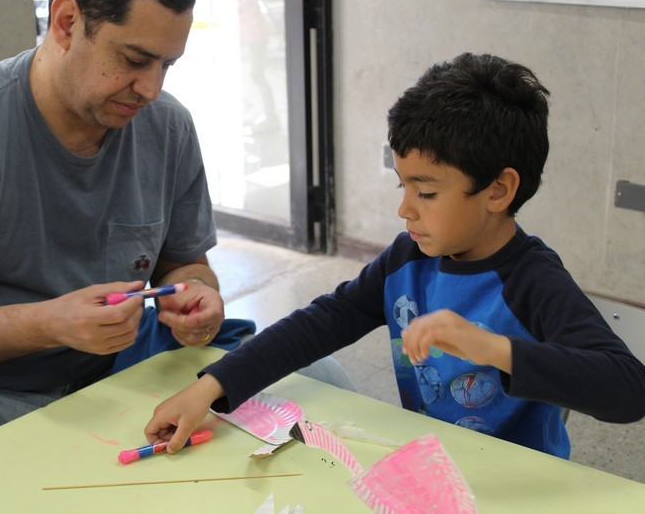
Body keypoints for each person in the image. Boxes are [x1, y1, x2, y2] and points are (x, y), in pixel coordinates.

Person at [143, 52, 645, 459]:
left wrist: (492, 348)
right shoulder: (408, 260)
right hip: (430, 464)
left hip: (515, 483)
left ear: (498, 190)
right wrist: (211, 386)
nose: (404, 209)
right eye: (402, 186)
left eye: (426, 193)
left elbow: (628, 389)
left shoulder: (533, 279)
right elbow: (323, 321)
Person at [0, 0, 257, 480]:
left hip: (129, 364)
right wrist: (47, 324)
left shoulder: (167, 126)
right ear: (67, 22)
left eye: (167, 65)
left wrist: (198, 297)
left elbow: (185, 266)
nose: (150, 89)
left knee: (313, 376)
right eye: (135, 60)